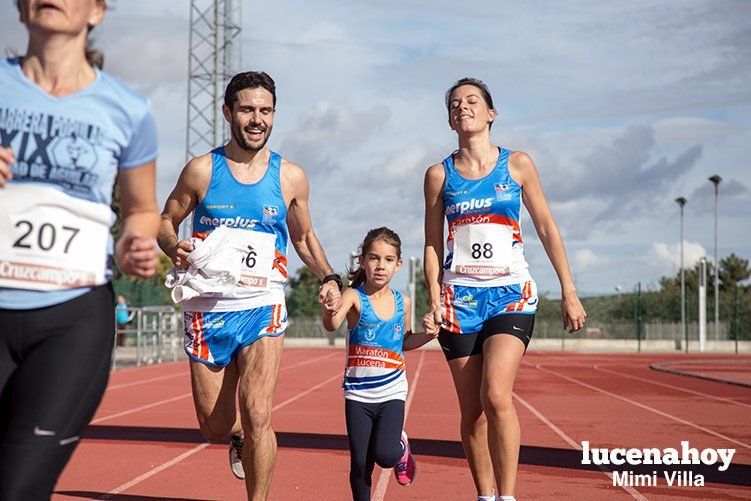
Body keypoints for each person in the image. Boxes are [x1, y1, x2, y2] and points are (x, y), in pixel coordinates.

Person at [0, 1, 160, 499]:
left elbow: (140, 208)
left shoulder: (130, 110)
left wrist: (136, 241)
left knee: (19, 489)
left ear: (97, 11)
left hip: (73, 318)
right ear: (20, 8)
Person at [158, 71, 342, 499]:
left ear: (274, 115)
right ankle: (235, 432)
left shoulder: (290, 176)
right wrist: (172, 246)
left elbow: (303, 237)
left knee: (260, 412)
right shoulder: (202, 171)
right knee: (214, 425)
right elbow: (167, 220)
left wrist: (329, 276)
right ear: (228, 113)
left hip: (263, 302)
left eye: (265, 110)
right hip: (208, 307)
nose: (256, 119)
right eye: (246, 110)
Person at [422, 77, 587, 501]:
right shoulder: (439, 175)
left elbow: (547, 227)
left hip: (510, 293)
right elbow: (432, 244)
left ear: (491, 113)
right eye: (455, 104)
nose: (464, 107)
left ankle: (509, 496)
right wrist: (434, 297)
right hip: (459, 299)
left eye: (472, 101)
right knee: (473, 414)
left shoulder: (518, 165)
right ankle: (484, 495)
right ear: (449, 120)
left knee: (495, 395)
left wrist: (568, 289)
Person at [321, 227, 437, 501]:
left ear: (398, 264)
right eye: (373, 258)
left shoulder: (402, 301)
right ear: (362, 261)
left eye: (387, 260)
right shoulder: (353, 296)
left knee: (384, 455)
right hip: (358, 394)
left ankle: (400, 448)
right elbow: (333, 324)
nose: (380, 266)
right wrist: (328, 311)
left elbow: (405, 341)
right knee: (360, 463)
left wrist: (429, 335)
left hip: (392, 392)